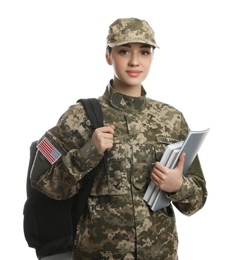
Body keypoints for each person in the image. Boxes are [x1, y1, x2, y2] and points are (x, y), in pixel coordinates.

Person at [31, 17, 207, 260]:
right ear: (108, 56)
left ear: (151, 57)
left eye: (144, 52)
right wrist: (87, 153)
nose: (135, 61)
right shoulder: (79, 117)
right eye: (124, 51)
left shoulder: (172, 119)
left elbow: (197, 200)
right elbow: (42, 180)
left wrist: (179, 186)